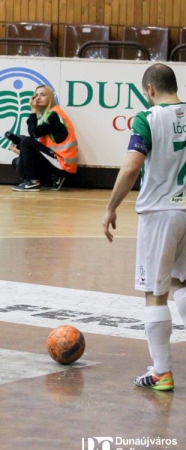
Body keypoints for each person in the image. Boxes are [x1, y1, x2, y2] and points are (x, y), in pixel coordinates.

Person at [102, 63, 186, 392]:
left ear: (150, 89)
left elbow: (132, 166)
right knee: (181, 282)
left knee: (155, 293)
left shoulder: (148, 118)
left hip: (159, 213)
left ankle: (161, 372)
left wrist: (111, 207)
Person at [6, 84, 79, 192]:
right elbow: (39, 148)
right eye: (36, 95)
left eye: (43, 95)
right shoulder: (47, 114)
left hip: (63, 164)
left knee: (26, 141)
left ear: (50, 98)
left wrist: (33, 110)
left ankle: (33, 182)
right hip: (56, 161)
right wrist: (20, 150)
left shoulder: (54, 114)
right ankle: (53, 179)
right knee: (17, 160)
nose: (38, 98)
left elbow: (33, 134)